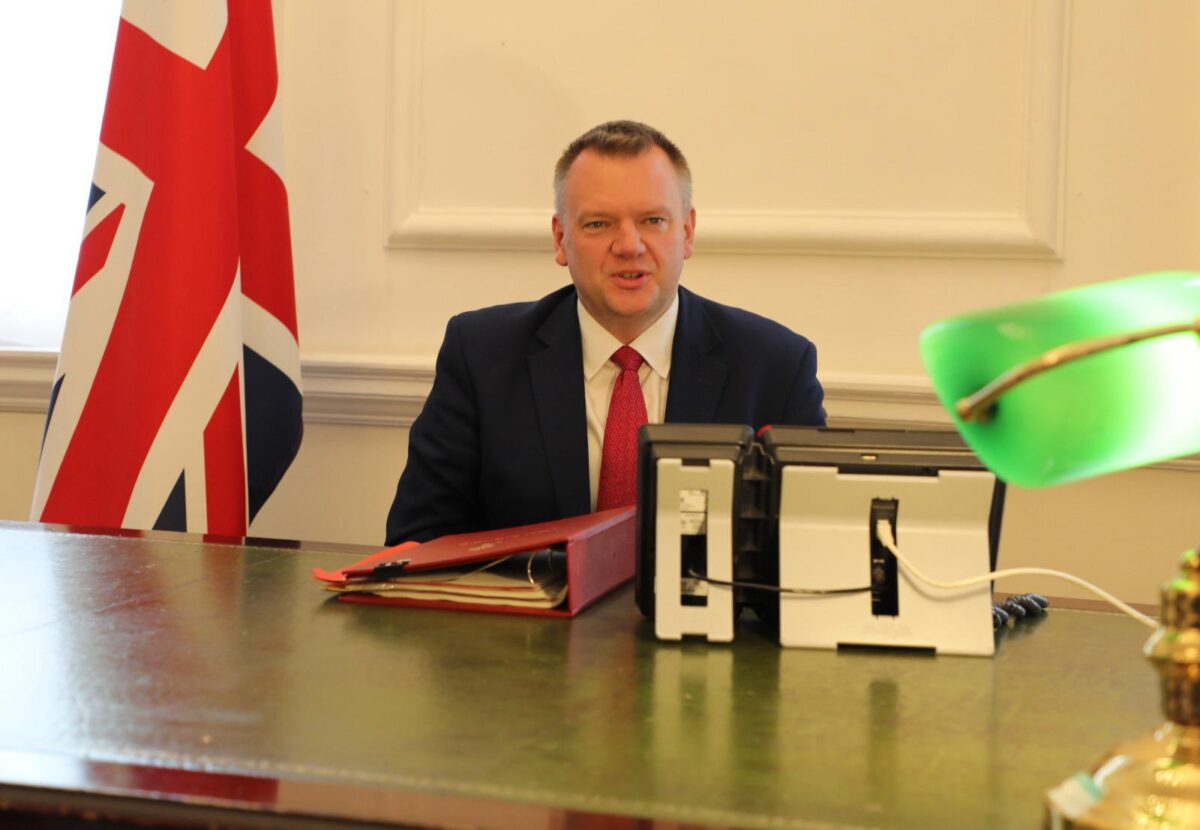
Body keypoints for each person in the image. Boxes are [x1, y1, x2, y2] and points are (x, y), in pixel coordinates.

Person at [385, 121, 825, 545]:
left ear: (687, 233)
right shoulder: (480, 355)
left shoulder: (777, 366)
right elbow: (418, 542)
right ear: (561, 239)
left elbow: (812, 550)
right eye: (598, 223)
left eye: (653, 221)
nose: (629, 245)